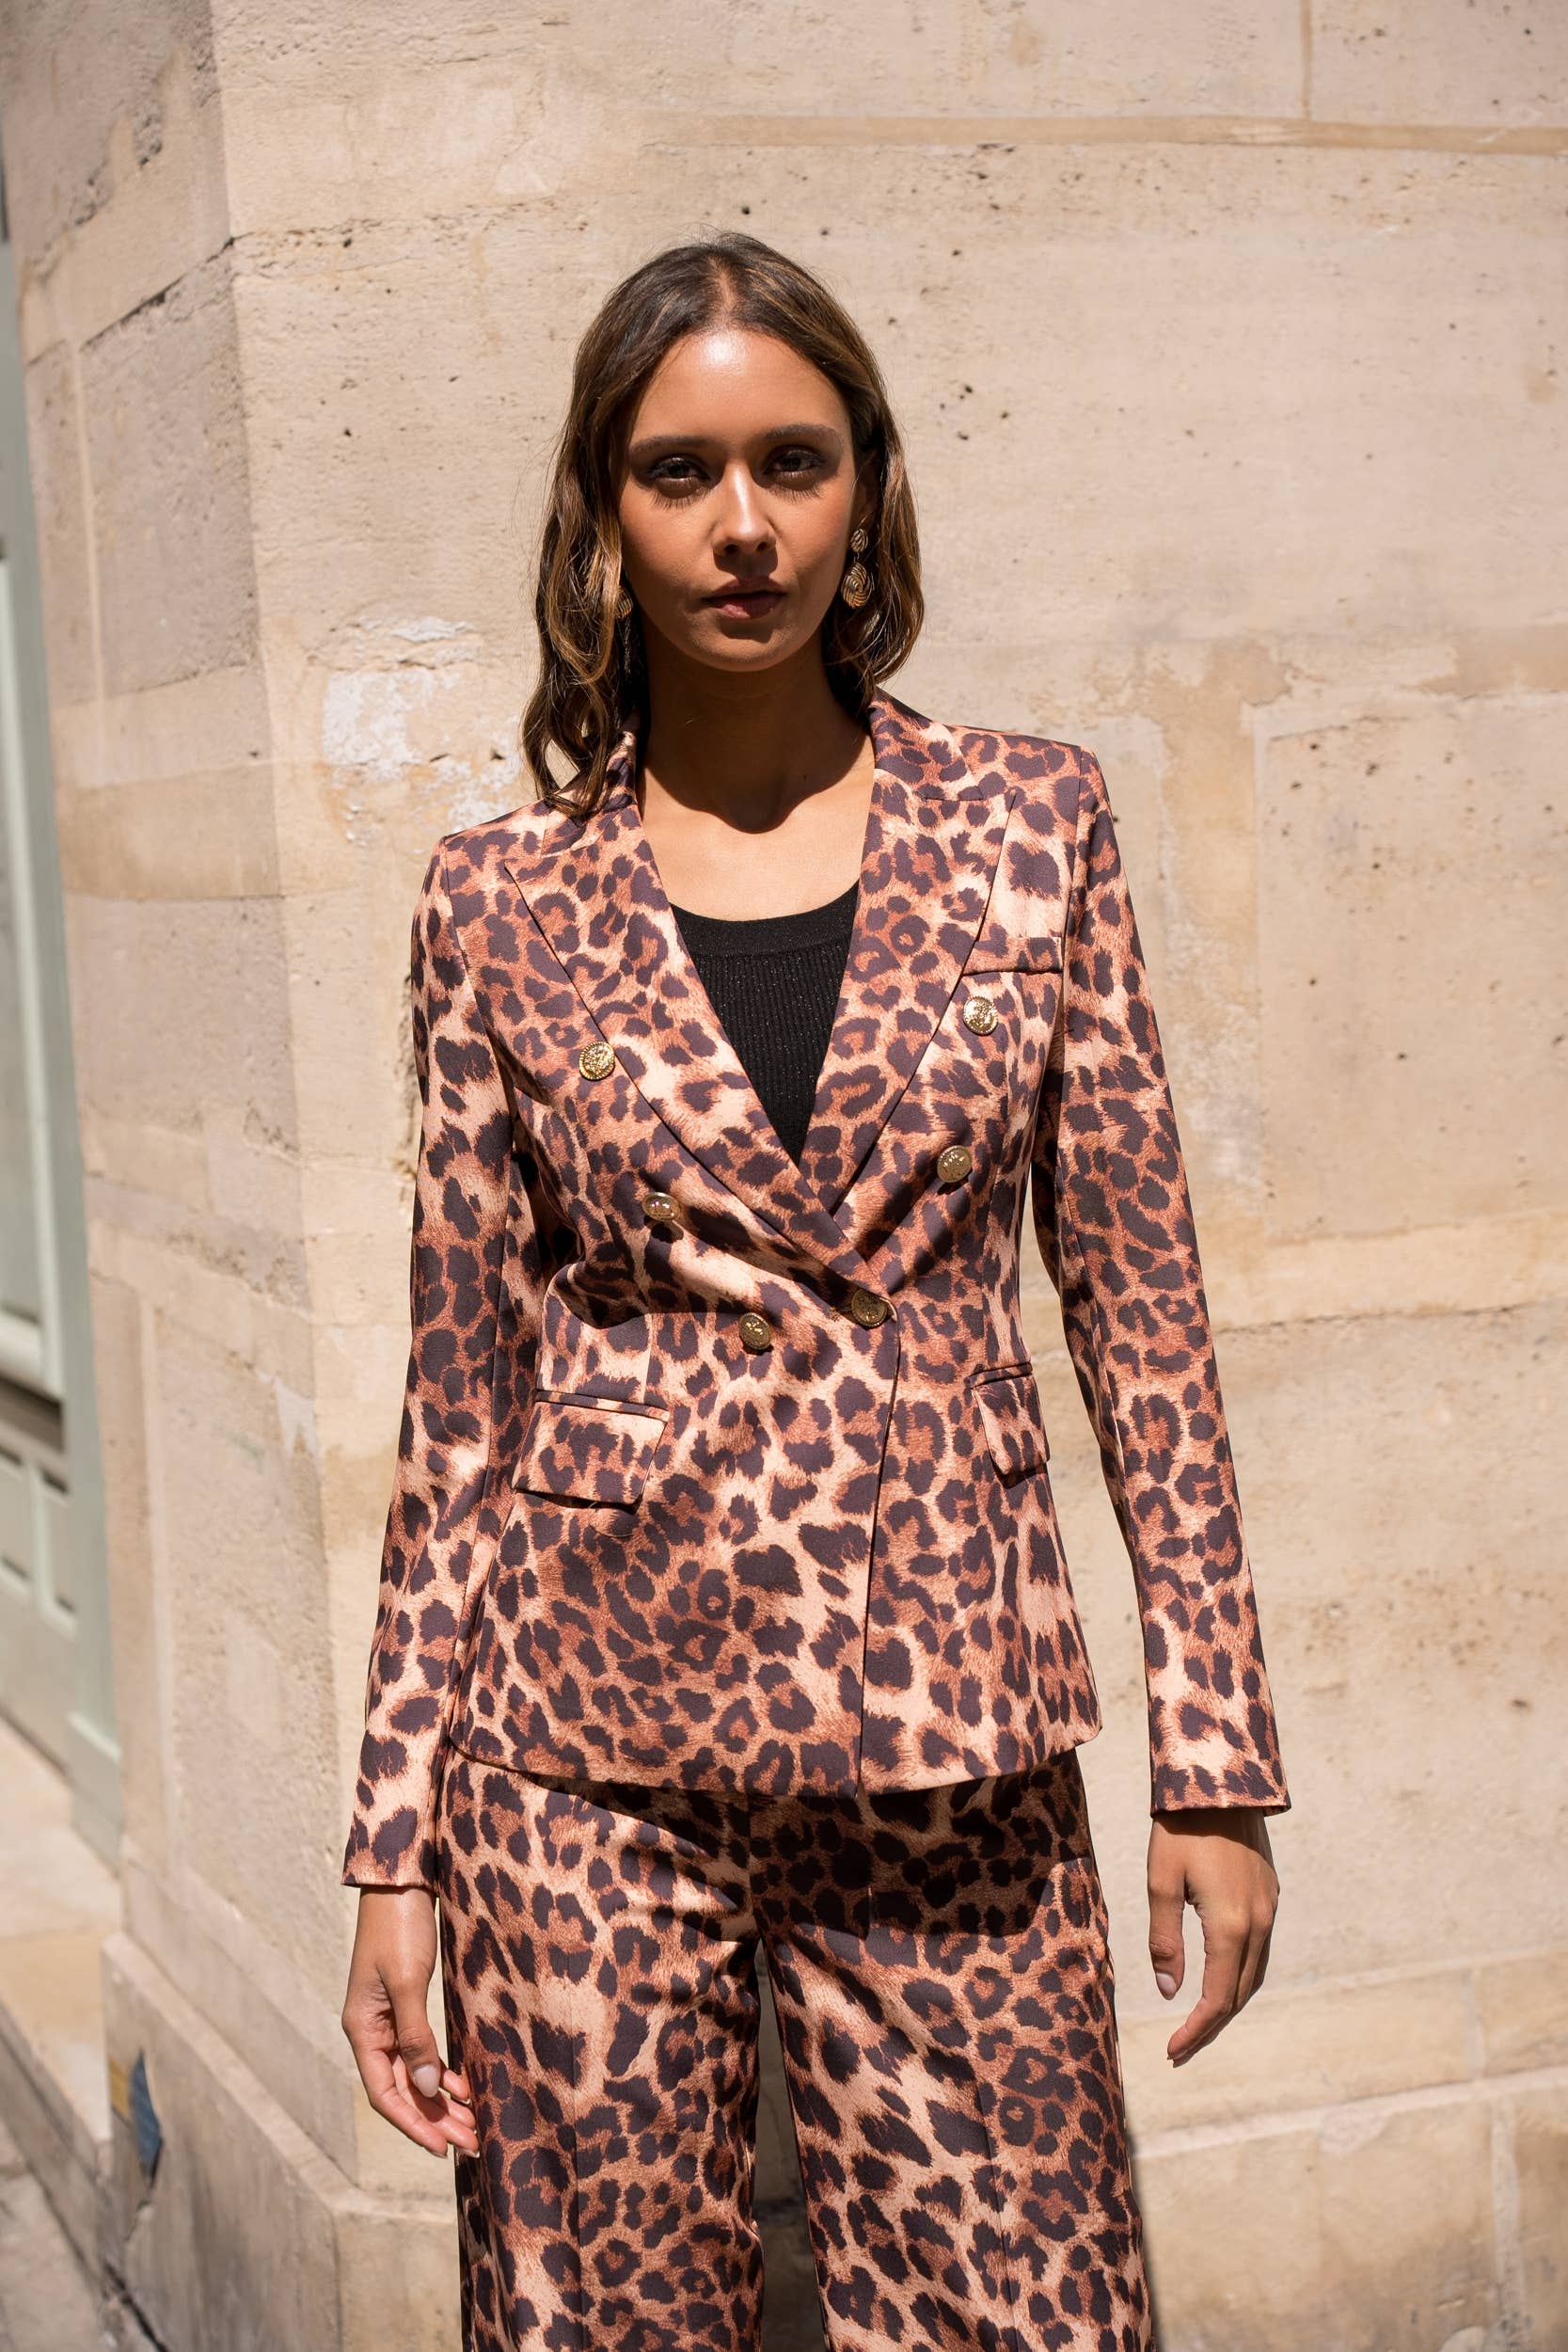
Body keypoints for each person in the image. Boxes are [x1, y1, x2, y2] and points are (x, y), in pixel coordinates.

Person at [339, 230, 1290, 2352]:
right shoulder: (496, 898)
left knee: (1023, 2307)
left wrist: (1212, 1754)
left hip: (954, 1716)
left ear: (867, 484)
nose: (744, 524)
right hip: (579, 1753)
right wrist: (393, 1839)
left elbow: (1144, 1318)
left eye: (793, 459)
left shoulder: (1033, 824)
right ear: (604, 511)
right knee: (598, 2326)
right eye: (680, 471)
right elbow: (458, 1398)